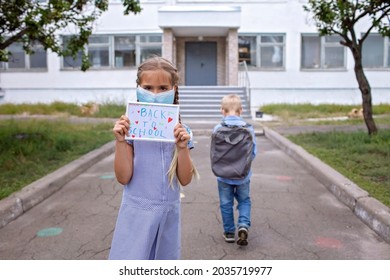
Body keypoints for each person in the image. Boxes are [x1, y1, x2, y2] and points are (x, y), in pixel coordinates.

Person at [109, 56, 198, 260]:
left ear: (174, 89)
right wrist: (121, 141)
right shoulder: (131, 131)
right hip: (136, 212)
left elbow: (185, 179)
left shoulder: (182, 132)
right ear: (138, 88)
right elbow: (123, 177)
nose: (155, 94)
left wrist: (182, 147)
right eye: (148, 88)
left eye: (163, 88)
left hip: (168, 214)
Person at [212, 94, 256, 246]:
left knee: (226, 203)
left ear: (222, 111)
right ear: (241, 110)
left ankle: (229, 232)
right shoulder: (249, 129)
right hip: (243, 175)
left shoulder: (217, 129)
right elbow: (253, 153)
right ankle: (243, 225)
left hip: (223, 175)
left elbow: (214, 153)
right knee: (244, 200)